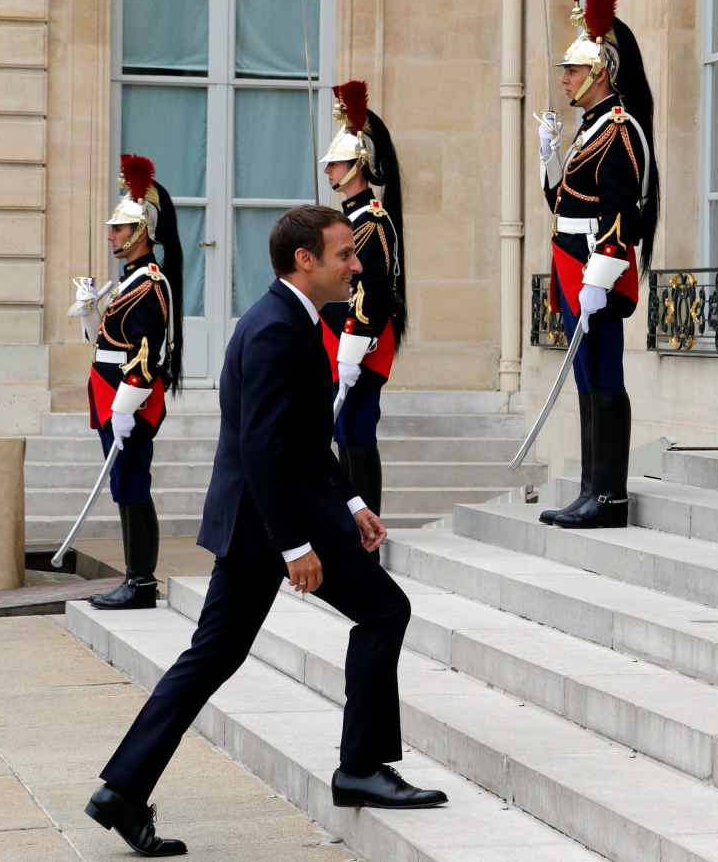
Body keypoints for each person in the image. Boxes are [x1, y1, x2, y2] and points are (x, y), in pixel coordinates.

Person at [85, 205, 446, 858]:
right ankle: (361, 767)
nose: (357, 264)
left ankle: (122, 790)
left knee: (210, 657)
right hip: (276, 518)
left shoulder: (288, 318)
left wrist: (354, 497)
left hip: (267, 516)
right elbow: (263, 449)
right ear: (305, 259)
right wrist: (296, 544)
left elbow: (305, 439)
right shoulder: (279, 330)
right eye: (344, 255)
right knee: (385, 609)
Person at [536, 0, 659, 529]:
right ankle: (591, 488)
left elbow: (623, 212)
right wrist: (549, 157)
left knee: (604, 375)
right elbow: (562, 201)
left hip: (594, 267)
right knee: (586, 377)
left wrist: (601, 276)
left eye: (572, 70)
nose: (564, 78)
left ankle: (610, 496)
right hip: (572, 262)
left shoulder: (620, 129)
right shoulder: (589, 129)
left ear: (600, 72)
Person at [69, 154, 184, 609]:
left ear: (141, 233)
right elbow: (105, 340)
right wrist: (88, 311)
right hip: (112, 394)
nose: (111, 234)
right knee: (124, 485)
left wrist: (124, 408)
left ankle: (140, 583)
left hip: (128, 399)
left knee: (133, 484)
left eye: (119, 228)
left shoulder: (150, 284)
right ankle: (135, 579)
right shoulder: (128, 282)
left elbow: (146, 355)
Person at [319, 81, 407, 537]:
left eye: (336, 162)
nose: (329, 169)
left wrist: (354, 345)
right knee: (345, 434)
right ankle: (353, 520)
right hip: (343, 340)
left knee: (358, 431)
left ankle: (368, 524)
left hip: (363, 339)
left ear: (358, 166)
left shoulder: (370, 219)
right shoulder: (349, 218)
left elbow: (371, 287)